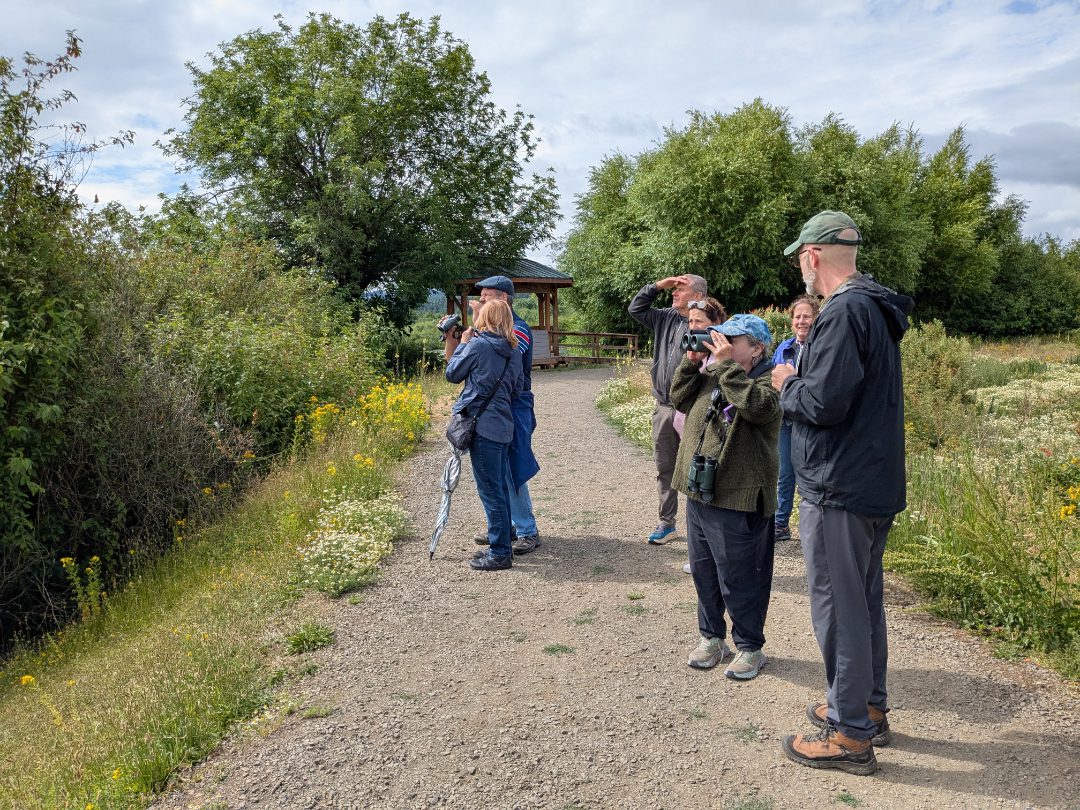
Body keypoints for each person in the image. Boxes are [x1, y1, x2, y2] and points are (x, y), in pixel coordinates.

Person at [772, 211, 913, 775]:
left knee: (839, 606)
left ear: (812, 256)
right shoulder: (876, 307)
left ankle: (850, 733)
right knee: (863, 600)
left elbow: (821, 404)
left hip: (839, 485)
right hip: (872, 481)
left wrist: (786, 382)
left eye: (799, 259)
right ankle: (868, 707)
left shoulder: (843, 312)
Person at [670, 313, 780, 680]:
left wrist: (727, 367)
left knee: (741, 576)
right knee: (704, 571)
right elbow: (679, 398)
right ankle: (712, 637)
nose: (722, 345)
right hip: (701, 490)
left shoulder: (771, 379)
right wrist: (692, 364)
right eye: (722, 339)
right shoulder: (717, 372)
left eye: (733, 341)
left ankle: (750, 646)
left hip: (740, 496)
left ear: (757, 347)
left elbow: (759, 408)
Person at [443, 275, 542, 555]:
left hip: (514, 406)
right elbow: (454, 366)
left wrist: (478, 331)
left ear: (504, 299)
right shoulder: (486, 335)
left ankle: (527, 531)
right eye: (481, 297)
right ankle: (504, 528)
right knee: (496, 472)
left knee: (513, 469)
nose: (481, 301)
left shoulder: (518, 330)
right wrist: (458, 337)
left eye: (487, 297)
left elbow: (502, 357)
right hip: (493, 408)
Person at [628, 273, 709, 544]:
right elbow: (635, 308)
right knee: (665, 468)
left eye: (680, 289)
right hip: (664, 407)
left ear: (698, 296)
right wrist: (657, 286)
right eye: (672, 290)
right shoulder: (665, 317)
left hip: (693, 409)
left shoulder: (708, 324)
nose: (673, 293)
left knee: (697, 469)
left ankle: (703, 530)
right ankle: (667, 523)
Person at [445, 300, 524, 571]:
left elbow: (452, 374)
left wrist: (463, 343)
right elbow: (518, 389)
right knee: (499, 488)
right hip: (502, 425)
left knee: (491, 491)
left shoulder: (478, 345)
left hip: (482, 427)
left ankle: (500, 553)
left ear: (485, 318)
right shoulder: (513, 351)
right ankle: (500, 547)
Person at [771, 295, 820, 542]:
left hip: (808, 422)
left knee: (808, 476)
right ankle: (780, 524)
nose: (802, 321)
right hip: (785, 420)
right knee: (785, 474)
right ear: (792, 321)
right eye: (797, 317)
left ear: (816, 318)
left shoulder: (820, 347)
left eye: (807, 316)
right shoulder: (784, 348)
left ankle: (812, 529)